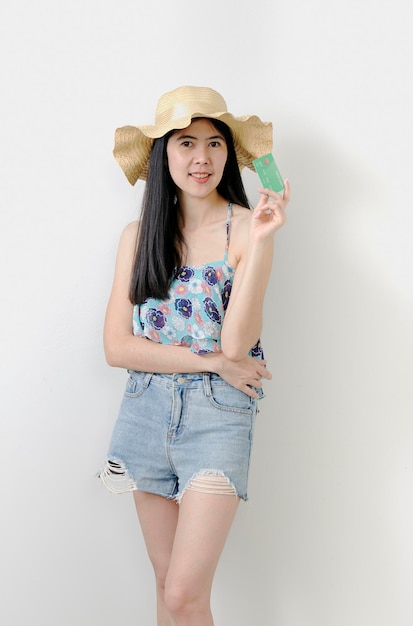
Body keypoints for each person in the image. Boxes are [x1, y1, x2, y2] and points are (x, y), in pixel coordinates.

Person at [99, 85, 290, 626]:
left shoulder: (247, 227)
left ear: (229, 155)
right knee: (167, 589)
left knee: (184, 593)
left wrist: (265, 240)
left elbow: (235, 344)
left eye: (214, 144)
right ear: (164, 155)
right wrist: (209, 362)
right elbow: (117, 347)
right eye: (186, 143)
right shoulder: (138, 237)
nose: (201, 158)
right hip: (143, 412)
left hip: (217, 418)